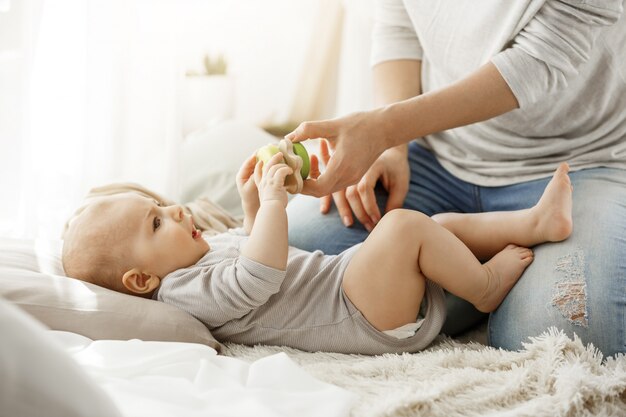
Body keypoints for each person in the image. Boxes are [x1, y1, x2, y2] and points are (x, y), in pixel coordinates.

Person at [284, 1, 626, 356]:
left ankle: (466, 273)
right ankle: (477, 271)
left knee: (567, 337)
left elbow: (538, 62)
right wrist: (391, 149)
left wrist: (383, 129)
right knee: (297, 250)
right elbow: (400, 24)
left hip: (578, 165)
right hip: (439, 156)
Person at [62, 148, 573, 355]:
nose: (174, 211)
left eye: (160, 204)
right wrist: (276, 204)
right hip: (353, 313)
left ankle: (533, 221)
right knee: (402, 229)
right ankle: (483, 289)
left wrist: (251, 204)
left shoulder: (196, 257)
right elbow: (256, 275)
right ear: (140, 281)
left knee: (432, 227)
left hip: (347, 283)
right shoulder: (180, 291)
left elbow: (244, 250)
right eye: (155, 222)